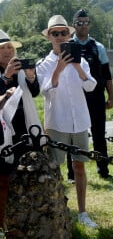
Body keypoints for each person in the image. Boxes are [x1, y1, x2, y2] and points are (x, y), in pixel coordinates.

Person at [36, 15, 98, 228]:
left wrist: (78, 67)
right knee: (55, 168)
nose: (60, 36)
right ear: (49, 37)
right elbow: (46, 93)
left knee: (80, 166)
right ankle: (57, 209)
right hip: (57, 123)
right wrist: (59, 69)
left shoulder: (81, 58)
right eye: (55, 33)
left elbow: (91, 87)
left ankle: (82, 212)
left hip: (79, 120)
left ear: (70, 35)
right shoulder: (44, 65)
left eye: (64, 32)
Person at [66, 9, 113, 180]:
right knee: (73, 135)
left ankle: (103, 169)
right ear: (74, 25)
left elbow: (107, 75)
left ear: (89, 24)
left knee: (99, 134)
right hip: (75, 98)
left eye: (86, 22)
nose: (83, 25)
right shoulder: (68, 46)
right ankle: (72, 173)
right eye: (79, 22)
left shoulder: (98, 47)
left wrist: (111, 97)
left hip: (96, 97)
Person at [0, 30, 41, 229]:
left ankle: (29, 217)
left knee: (29, 174)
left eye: (10, 47)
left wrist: (32, 77)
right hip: (4, 135)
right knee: (5, 178)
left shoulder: (21, 69)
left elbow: (34, 92)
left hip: (26, 128)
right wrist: (5, 77)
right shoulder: (6, 72)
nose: (8, 51)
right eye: (3, 48)